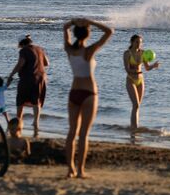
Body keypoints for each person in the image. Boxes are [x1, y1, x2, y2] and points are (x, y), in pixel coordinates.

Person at [63, 18, 113, 179]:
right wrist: (90, 21)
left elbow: (64, 27)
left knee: (71, 133)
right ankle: (80, 171)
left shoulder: (69, 49)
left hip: (74, 93)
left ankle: (70, 169)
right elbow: (109, 31)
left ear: (76, 34)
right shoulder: (89, 51)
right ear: (87, 34)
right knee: (83, 134)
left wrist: (74, 22)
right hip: (89, 93)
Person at [7, 34, 49, 138]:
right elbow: (47, 63)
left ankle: (18, 120)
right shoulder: (40, 48)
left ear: (22, 43)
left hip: (28, 78)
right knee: (36, 100)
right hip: (41, 78)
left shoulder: (24, 51)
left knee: (20, 100)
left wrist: (11, 75)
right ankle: (36, 122)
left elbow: (20, 64)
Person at [123, 35, 160, 130]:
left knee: (137, 106)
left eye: (140, 42)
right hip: (131, 80)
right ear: (131, 42)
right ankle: (134, 127)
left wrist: (154, 66)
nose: (138, 44)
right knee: (136, 105)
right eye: (136, 42)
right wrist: (134, 71)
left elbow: (147, 68)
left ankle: (134, 127)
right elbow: (127, 69)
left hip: (140, 80)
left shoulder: (143, 53)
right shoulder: (127, 54)